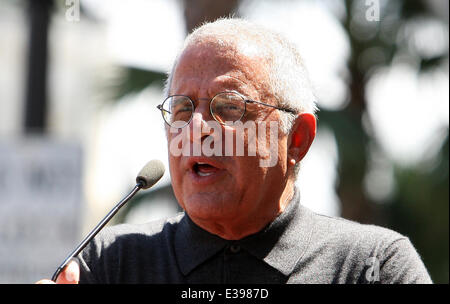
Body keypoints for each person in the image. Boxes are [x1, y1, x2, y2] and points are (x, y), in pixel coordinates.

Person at [37, 18, 431, 284]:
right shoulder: (109, 265)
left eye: (228, 107)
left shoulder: (372, 266)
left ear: (296, 140)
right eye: (181, 108)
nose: (196, 129)